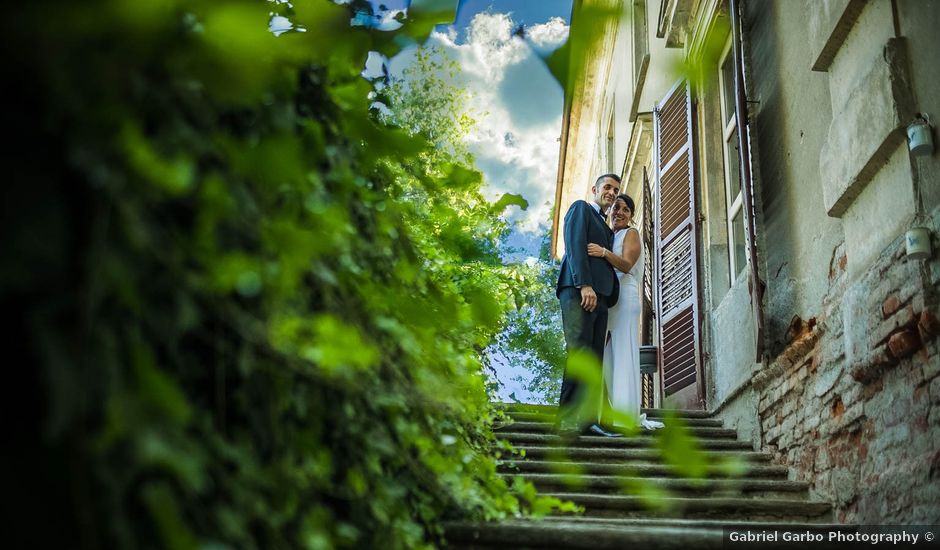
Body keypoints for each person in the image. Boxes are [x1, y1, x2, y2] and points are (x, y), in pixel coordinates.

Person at [588, 193, 664, 431]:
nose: (619, 212)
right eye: (616, 208)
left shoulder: (631, 234)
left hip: (626, 296)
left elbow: (627, 264)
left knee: (623, 352)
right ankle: (611, 410)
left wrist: (603, 252)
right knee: (608, 356)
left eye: (625, 209)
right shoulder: (611, 235)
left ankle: (626, 416)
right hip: (611, 299)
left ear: (631, 215)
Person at [556, 174, 622, 438]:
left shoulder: (607, 229)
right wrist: (584, 284)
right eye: (607, 187)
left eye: (616, 190)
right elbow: (573, 246)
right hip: (578, 290)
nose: (612, 192)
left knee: (595, 360)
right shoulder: (580, 208)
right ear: (595, 189)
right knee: (580, 352)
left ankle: (587, 421)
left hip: (601, 298)